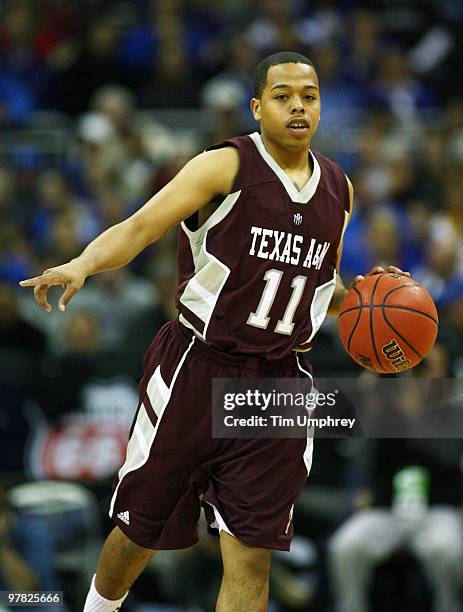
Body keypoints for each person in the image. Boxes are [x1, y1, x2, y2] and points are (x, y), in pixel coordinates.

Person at [20, 51, 407, 612]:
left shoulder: (339, 190)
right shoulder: (222, 166)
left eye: (310, 95)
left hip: (278, 385)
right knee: (138, 533)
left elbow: (321, 285)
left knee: (251, 556)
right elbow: (138, 228)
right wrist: (82, 263)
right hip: (197, 366)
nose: (298, 105)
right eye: (283, 95)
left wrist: (373, 302)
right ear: (257, 107)